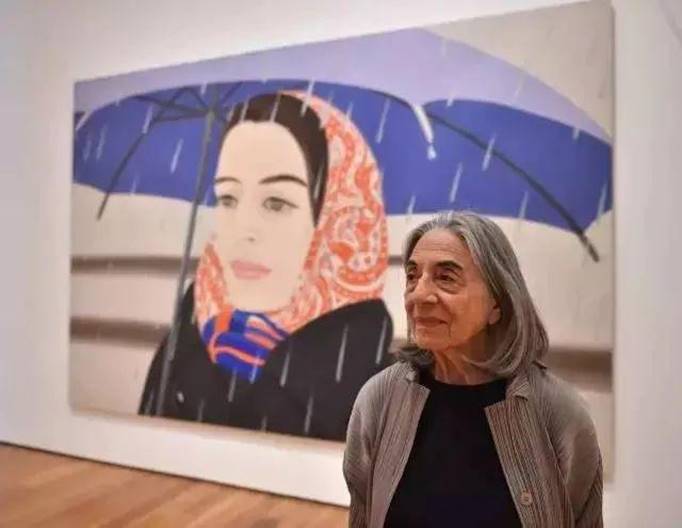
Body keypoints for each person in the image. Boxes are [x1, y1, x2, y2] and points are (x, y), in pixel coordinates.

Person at [139, 92, 393, 441]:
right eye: (228, 198)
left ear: (336, 219)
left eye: (276, 203)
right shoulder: (187, 338)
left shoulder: (369, 382)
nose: (244, 229)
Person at [343, 211, 603, 527]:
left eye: (446, 277)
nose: (418, 295)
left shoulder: (560, 413)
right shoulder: (378, 399)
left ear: (497, 304)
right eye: (412, 276)